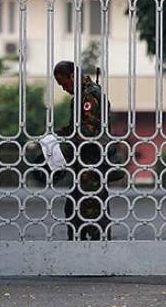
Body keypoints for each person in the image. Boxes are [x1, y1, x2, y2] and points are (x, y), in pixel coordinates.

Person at [41, 60, 122, 241]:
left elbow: (88, 133)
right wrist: (54, 138)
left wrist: (63, 146)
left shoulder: (89, 97)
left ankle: (99, 256)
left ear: (72, 76)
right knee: (74, 211)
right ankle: (78, 253)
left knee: (92, 213)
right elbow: (75, 129)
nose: (63, 88)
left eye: (64, 83)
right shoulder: (81, 96)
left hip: (91, 166)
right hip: (83, 166)